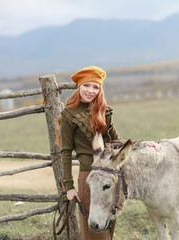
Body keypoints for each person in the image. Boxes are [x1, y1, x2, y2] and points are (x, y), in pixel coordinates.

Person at [56, 66, 158, 240]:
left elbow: (116, 140)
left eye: (96, 87)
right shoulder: (69, 115)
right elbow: (65, 152)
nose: (91, 91)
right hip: (91, 178)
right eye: (87, 85)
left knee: (108, 231)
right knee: (96, 234)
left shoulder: (104, 111)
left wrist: (142, 144)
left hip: (111, 178)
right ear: (79, 86)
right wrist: (69, 186)